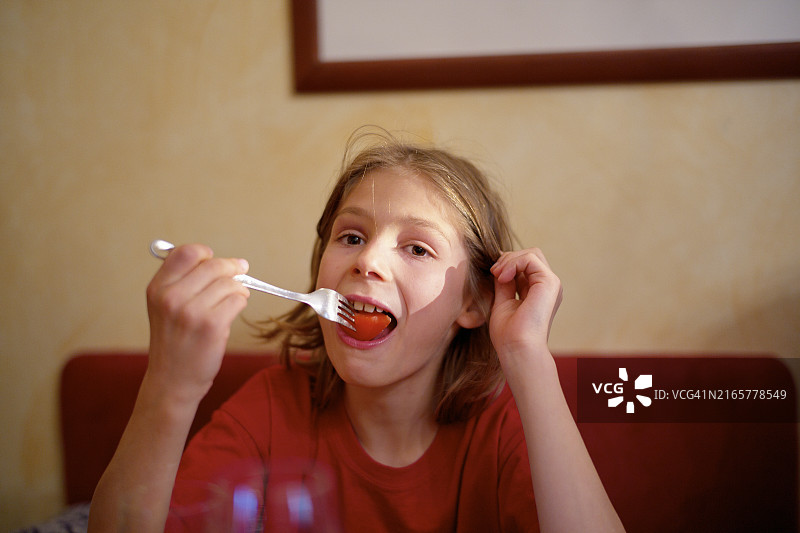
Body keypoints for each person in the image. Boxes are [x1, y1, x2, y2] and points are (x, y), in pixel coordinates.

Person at [88, 128, 625, 532]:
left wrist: (527, 356)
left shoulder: (504, 429)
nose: (367, 260)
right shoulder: (272, 410)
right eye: (351, 237)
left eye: (417, 248)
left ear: (474, 301)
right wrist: (171, 385)